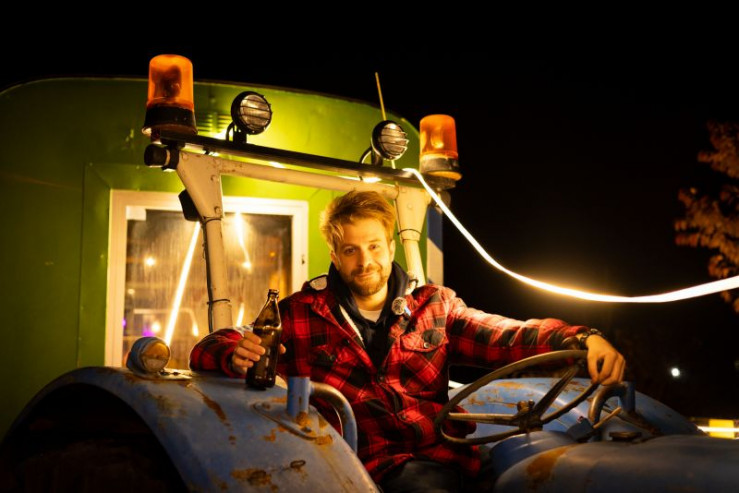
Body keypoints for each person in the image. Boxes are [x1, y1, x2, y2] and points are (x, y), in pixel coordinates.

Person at [190, 190, 626, 492]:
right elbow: (213, 346)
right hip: (354, 465)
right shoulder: (301, 313)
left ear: (391, 246)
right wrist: (233, 352)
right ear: (335, 255)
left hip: (443, 456)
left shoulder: (434, 305)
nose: (366, 261)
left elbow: (505, 334)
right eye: (351, 250)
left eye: (374, 246)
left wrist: (582, 338)